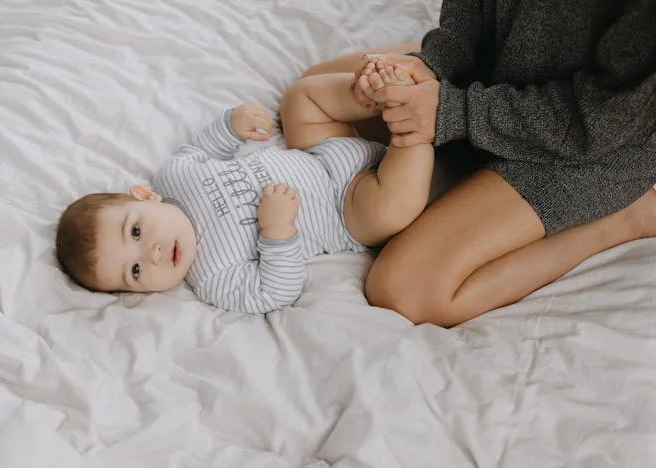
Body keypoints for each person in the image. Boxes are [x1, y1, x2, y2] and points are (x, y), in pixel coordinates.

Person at [298, 0, 656, 327]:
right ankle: (463, 163)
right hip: (498, 78)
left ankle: (623, 217)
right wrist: (431, 65)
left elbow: (604, 120)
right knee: (317, 85)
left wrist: (452, 112)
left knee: (404, 290)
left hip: (596, 144)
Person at [55, 64, 434, 314]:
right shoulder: (213, 278)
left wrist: (232, 125)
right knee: (390, 210)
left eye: (135, 231)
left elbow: (200, 148)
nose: (152, 253)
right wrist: (277, 233)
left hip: (319, 153)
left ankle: (374, 90)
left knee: (301, 97)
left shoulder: (173, 177)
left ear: (144, 196)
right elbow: (275, 291)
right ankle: (411, 122)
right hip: (346, 210)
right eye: (135, 271)